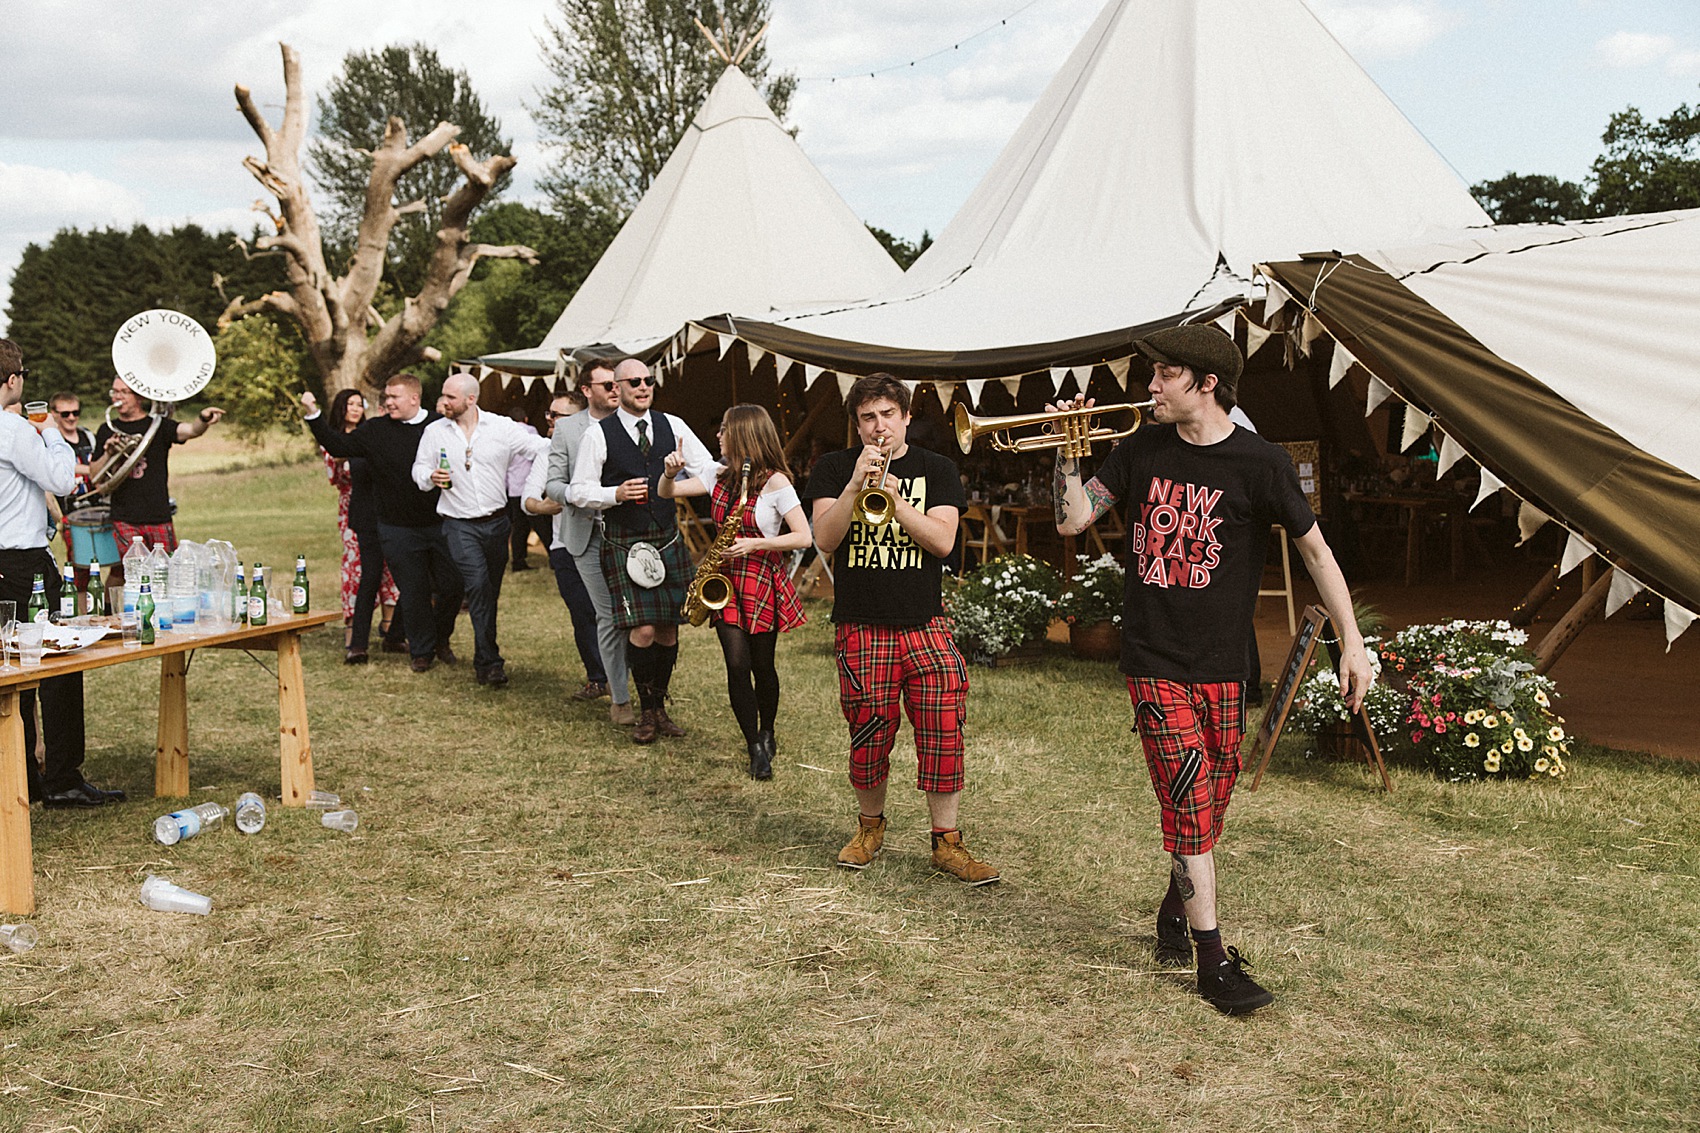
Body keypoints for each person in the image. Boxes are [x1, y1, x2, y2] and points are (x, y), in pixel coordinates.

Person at [1052, 323, 1372, 1015]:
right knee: (1191, 806)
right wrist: (1068, 454)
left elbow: (1317, 554)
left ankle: (1173, 911)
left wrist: (1351, 640)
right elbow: (1074, 521)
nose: (1151, 386)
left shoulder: (1261, 464)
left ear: (1205, 384)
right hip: (1154, 659)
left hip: (1228, 665)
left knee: (1207, 807)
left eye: (1164, 375)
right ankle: (1212, 960)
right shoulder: (1141, 448)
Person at [802, 374, 999, 886]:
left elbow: (942, 543)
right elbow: (824, 538)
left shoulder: (937, 469)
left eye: (888, 414)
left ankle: (947, 843)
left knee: (943, 729)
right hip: (861, 624)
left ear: (907, 416)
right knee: (868, 733)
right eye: (868, 417)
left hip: (925, 622)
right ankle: (870, 828)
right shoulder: (832, 468)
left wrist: (895, 496)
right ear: (857, 423)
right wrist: (855, 485)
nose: (878, 426)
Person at [0, 340, 123, 808]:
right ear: (13, 381)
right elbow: (62, 480)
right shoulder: (14, 430)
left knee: (12, 670)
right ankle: (62, 776)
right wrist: (50, 432)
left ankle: (23, 777)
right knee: (58, 663)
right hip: (23, 562)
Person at [567, 358, 715, 742]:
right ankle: (645, 711)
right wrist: (613, 494)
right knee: (644, 629)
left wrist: (673, 485)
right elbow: (577, 491)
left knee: (667, 629)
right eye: (634, 381)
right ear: (616, 388)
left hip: (666, 538)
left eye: (649, 380)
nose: (643, 386)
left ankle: (660, 708)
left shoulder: (674, 425)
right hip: (624, 540)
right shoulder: (598, 434)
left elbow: (709, 473)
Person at [659, 404, 809, 779]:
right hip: (725, 584)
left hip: (760, 580)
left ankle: (768, 729)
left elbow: (804, 535)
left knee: (763, 665)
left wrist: (754, 545)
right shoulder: (718, 475)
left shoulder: (777, 483)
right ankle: (754, 747)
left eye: (724, 429)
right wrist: (667, 474)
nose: (718, 435)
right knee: (737, 665)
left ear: (743, 434)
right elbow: (668, 492)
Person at [304, 375, 462, 673]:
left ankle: (442, 638)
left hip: (441, 521)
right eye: (386, 396)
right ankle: (422, 651)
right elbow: (339, 444)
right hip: (395, 526)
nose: (387, 401)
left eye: (394, 397)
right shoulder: (375, 429)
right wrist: (314, 416)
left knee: (452, 585)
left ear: (414, 398)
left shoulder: (439, 427)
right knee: (413, 591)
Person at [412, 372, 542, 687]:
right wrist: (430, 476)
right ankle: (490, 663)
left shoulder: (501, 428)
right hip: (458, 525)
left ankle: (483, 655)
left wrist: (534, 491)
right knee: (479, 585)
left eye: (450, 397)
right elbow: (418, 469)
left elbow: (542, 449)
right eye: (443, 395)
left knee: (489, 593)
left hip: (497, 524)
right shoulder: (434, 432)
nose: (443, 401)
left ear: (471, 399)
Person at [543, 362, 635, 727]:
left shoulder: (632, 424)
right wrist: (580, 495)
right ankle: (620, 696)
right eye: (608, 384)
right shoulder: (567, 428)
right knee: (609, 615)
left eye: (618, 384)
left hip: (630, 533)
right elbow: (551, 485)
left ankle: (641, 686)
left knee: (635, 616)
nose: (616, 389)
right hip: (585, 534)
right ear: (586, 390)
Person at [523, 392, 615, 704]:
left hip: (610, 541)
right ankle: (598, 678)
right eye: (548, 414)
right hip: (566, 545)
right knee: (582, 612)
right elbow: (528, 500)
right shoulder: (547, 452)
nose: (549, 419)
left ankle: (623, 677)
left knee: (615, 614)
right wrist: (545, 507)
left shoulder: (606, 443)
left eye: (556, 415)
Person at [91, 376, 223, 565]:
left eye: (123, 392)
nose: (117, 397)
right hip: (124, 517)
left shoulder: (158, 426)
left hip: (158, 515)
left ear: (139, 397)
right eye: (115, 391)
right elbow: (94, 474)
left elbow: (192, 430)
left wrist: (203, 418)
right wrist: (108, 454)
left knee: (167, 572)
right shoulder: (107, 429)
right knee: (138, 573)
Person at [320, 389, 403, 664]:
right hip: (352, 505)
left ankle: (389, 624)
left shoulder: (371, 432)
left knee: (387, 568)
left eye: (359, 404)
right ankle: (352, 627)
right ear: (341, 408)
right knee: (356, 569)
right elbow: (335, 476)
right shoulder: (333, 440)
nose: (355, 409)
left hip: (378, 501)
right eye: (350, 404)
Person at [46, 391, 98, 591]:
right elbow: (56, 465)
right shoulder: (51, 440)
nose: (71, 418)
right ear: (54, 414)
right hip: (70, 512)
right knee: (80, 567)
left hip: (94, 509)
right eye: (65, 414)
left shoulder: (87, 436)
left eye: (75, 413)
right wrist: (91, 471)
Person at [504, 405, 548, 572]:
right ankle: (554, 557)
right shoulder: (529, 431)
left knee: (519, 528)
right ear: (526, 419)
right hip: (530, 487)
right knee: (542, 525)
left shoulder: (506, 434)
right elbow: (539, 453)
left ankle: (518, 561)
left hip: (513, 489)